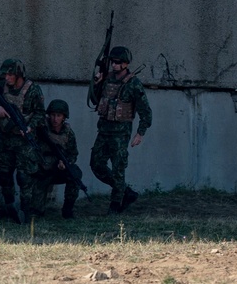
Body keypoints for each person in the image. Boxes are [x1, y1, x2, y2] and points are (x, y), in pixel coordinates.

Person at [90, 46, 152, 214]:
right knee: (96, 164)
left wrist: (140, 133)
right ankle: (126, 191)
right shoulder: (107, 79)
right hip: (104, 130)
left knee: (118, 168)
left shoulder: (133, 84)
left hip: (120, 132)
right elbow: (95, 99)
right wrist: (96, 83)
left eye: (117, 62)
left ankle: (115, 205)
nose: (113, 65)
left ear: (125, 64)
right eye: (112, 62)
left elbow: (145, 110)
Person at [0, 58, 44, 221]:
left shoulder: (33, 90)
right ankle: (9, 206)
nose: (6, 78)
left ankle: (25, 211)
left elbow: (40, 113)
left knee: (24, 177)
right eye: (5, 74)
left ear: (19, 74)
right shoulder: (0, 87)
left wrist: (30, 127)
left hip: (24, 142)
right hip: (6, 139)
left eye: (10, 74)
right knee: (4, 175)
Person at [30, 99, 80, 219]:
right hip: (42, 170)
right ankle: (37, 210)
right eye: (52, 115)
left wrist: (65, 162)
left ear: (64, 117)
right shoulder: (41, 128)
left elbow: (73, 153)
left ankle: (67, 210)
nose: (55, 119)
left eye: (58, 115)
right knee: (36, 212)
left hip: (58, 169)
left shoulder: (68, 133)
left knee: (75, 174)